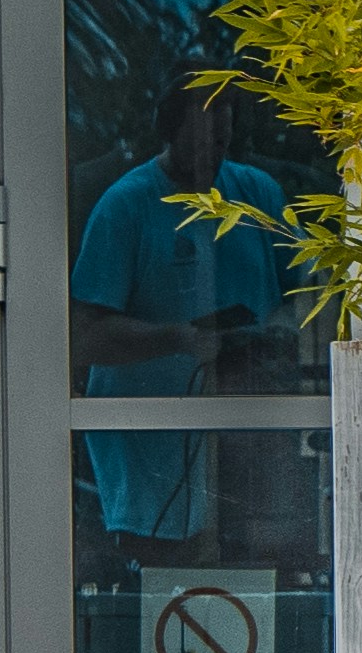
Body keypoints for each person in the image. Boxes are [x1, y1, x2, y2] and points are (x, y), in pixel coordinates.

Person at [73, 67, 290, 552]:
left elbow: (301, 295)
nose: (209, 159)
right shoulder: (124, 206)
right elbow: (84, 337)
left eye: (221, 143)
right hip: (150, 440)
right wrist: (177, 338)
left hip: (243, 426)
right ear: (169, 134)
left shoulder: (257, 194)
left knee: (250, 563)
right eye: (198, 144)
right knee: (164, 572)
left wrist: (277, 332)